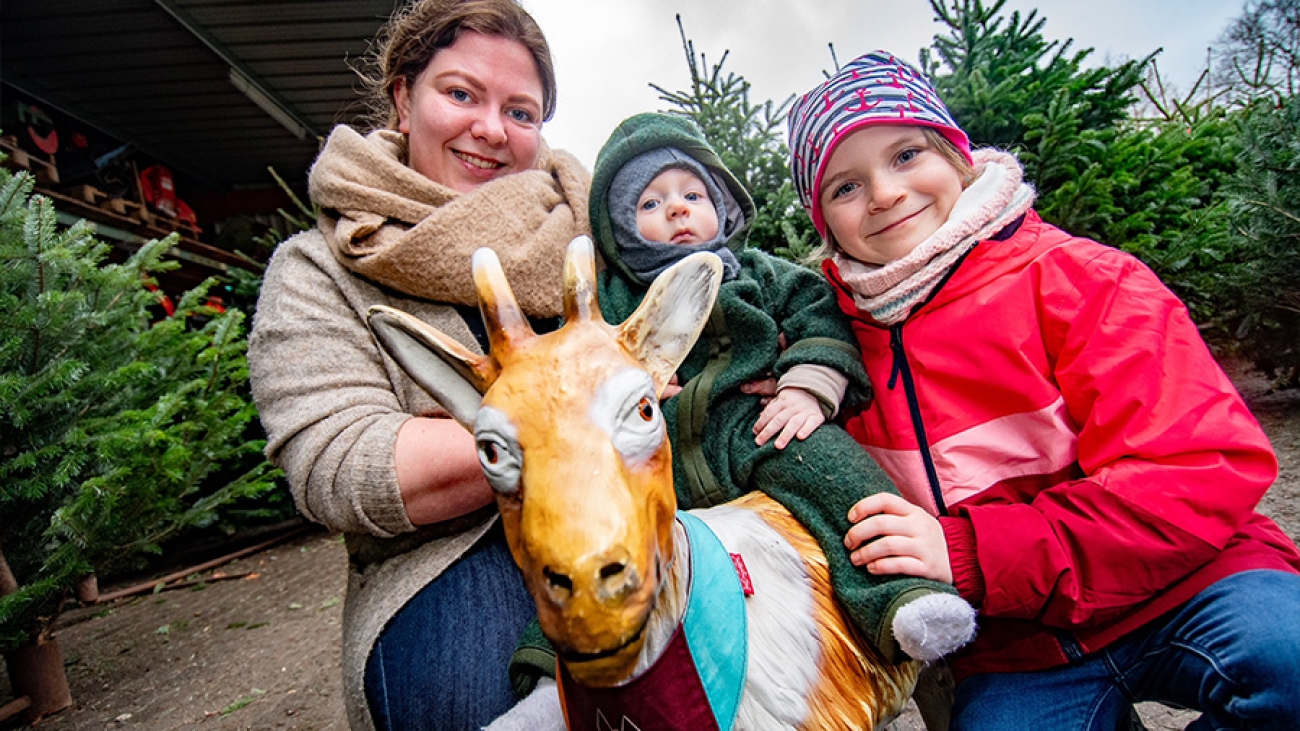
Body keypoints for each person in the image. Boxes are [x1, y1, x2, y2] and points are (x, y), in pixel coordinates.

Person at [787, 49, 1300, 729]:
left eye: (907, 154)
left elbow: (1197, 470)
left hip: (1193, 583)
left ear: (959, 158)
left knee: (1287, 660)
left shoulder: (1082, 279)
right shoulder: (830, 358)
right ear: (824, 223)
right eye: (845, 187)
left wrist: (968, 551)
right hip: (1017, 649)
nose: (882, 192)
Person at [246, 2, 590, 729]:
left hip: (621, 508)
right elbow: (337, 462)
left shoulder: (592, 228)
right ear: (404, 98)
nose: (491, 129)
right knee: (472, 697)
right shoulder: (318, 269)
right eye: (461, 94)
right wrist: (572, 422)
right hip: (448, 552)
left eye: (520, 110)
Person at [586, 111, 976, 665]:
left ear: (719, 204)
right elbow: (581, 357)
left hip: (762, 424)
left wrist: (806, 388)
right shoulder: (616, 298)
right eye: (649, 204)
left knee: (837, 473)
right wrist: (622, 387)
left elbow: (820, 318)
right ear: (620, 227)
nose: (675, 208)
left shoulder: (758, 273)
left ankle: (904, 595)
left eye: (691, 194)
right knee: (601, 531)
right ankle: (552, 674)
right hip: (659, 449)